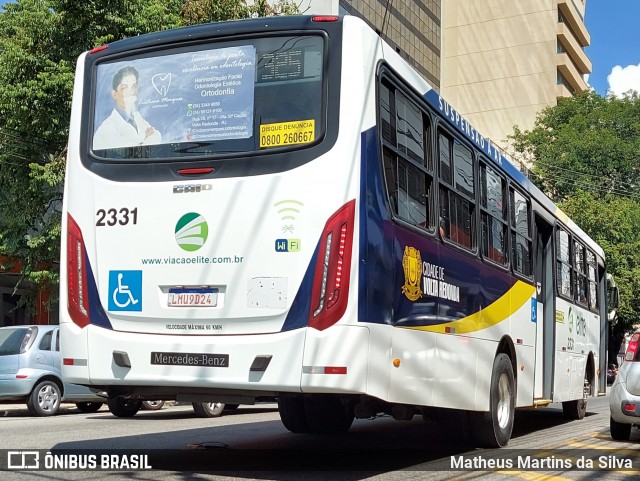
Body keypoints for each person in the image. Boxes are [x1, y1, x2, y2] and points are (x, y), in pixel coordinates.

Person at [93, 66, 161, 150]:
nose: (131, 91)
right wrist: (145, 141)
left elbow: (156, 135)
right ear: (114, 94)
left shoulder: (137, 118)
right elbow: (130, 155)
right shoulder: (105, 130)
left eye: (134, 86)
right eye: (124, 87)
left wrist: (142, 143)